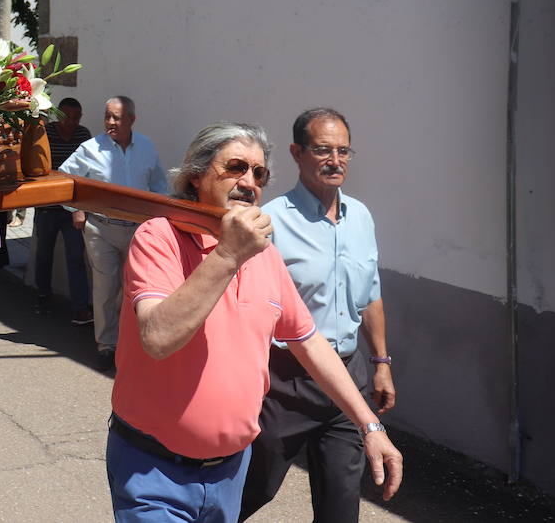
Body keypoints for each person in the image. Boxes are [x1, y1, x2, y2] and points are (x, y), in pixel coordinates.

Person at [108, 123, 402, 522]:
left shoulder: (264, 256)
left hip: (229, 473)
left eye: (258, 173)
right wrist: (228, 255)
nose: (249, 182)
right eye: (235, 167)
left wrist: (370, 427)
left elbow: (310, 342)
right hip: (153, 468)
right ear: (195, 176)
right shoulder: (159, 237)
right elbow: (158, 337)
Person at [239, 109, 395, 523]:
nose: (335, 160)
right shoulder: (273, 222)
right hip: (286, 381)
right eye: (323, 149)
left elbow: (371, 294)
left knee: (341, 507)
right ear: (296, 153)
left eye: (343, 151)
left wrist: (381, 363)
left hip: (348, 378)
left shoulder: (360, 217)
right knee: (253, 489)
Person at [59, 96, 170, 364]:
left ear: (132, 119)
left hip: (138, 231)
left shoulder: (146, 147)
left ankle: (131, 342)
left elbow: (160, 186)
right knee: (105, 288)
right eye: (108, 116)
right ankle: (106, 345)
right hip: (101, 229)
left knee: (135, 288)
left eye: (117, 118)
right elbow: (64, 179)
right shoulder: (90, 148)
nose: (111, 122)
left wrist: (160, 221)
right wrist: (78, 209)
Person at [32, 97, 93, 321]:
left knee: (76, 256)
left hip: (73, 208)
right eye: (68, 117)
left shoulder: (83, 135)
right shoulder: (45, 133)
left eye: (77, 118)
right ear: (59, 115)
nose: (72, 122)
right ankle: (42, 295)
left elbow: (89, 170)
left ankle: (80, 306)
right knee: (44, 255)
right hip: (47, 206)